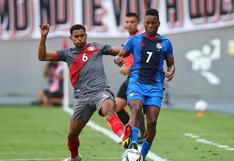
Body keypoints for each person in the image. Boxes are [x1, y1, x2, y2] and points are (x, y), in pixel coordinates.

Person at [38, 24, 132, 161]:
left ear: (86, 35)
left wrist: (128, 49)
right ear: (71, 38)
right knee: (72, 135)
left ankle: (124, 136)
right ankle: (74, 157)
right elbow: (42, 56)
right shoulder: (67, 53)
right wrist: (43, 37)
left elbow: (119, 51)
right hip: (82, 98)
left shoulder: (97, 47)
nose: (80, 39)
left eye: (82, 36)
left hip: (101, 91)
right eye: (76, 37)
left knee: (109, 109)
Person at [114, 8, 175, 160]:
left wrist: (171, 71)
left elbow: (171, 64)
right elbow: (120, 55)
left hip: (155, 86)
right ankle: (133, 145)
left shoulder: (165, 43)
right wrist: (118, 60)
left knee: (152, 122)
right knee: (136, 107)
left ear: (158, 23)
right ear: (144, 23)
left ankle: (143, 154)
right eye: (147, 23)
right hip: (137, 82)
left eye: (153, 23)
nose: (150, 26)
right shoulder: (135, 41)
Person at [116, 12, 146, 143]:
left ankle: (140, 134)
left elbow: (146, 59)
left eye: (132, 22)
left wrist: (130, 68)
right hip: (130, 78)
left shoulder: (141, 37)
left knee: (135, 106)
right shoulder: (129, 39)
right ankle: (132, 131)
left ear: (137, 23)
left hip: (140, 77)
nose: (129, 24)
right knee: (116, 107)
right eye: (127, 22)